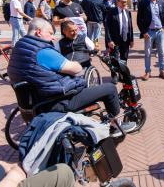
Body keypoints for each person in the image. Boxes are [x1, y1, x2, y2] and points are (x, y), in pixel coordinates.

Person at [7, 18, 136, 136]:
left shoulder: (19, 48)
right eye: (50, 33)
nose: (52, 38)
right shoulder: (43, 51)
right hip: (56, 101)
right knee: (110, 89)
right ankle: (115, 126)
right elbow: (76, 69)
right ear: (39, 32)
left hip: (33, 102)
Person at [0, 139, 74, 187]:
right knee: (62, 173)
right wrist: (13, 177)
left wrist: (11, 166)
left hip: (9, 177)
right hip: (7, 183)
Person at [137, 0, 164, 80]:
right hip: (149, 32)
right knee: (147, 52)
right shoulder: (143, 3)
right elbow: (139, 19)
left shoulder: (162, 2)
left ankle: (162, 71)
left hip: (160, 31)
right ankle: (148, 72)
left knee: (161, 52)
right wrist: (144, 32)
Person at [105, 0, 134, 83]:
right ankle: (114, 75)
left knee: (124, 58)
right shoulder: (111, 12)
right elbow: (107, 27)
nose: (125, 4)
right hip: (115, 40)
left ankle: (122, 75)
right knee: (114, 58)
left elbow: (130, 27)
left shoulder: (128, 12)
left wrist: (131, 39)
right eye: (123, 2)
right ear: (118, 2)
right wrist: (109, 40)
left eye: (126, 1)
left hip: (125, 39)